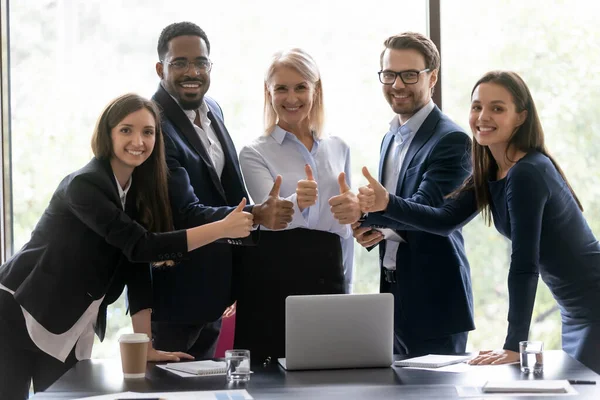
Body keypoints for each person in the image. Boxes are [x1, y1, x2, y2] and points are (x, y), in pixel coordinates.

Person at [0, 93, 254, 399]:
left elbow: (137, 269)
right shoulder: (84, 184)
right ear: (107, 134)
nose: (139, 140)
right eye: (126, 130)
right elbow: (141, 247)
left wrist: (145, 344)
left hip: (65, 321)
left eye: (148, 132)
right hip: (16, 310)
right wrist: (221, 229)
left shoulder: (134, 194)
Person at [358, 70, 600, 374]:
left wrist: (513, 346)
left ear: (521, 116)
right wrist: (383, 206)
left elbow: (525, 265)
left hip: (593, 304)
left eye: (497, 108)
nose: (483, 116)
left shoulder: (528, 172)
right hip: (575, 307)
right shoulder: (492, 170)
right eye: (477, 107)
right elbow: (445, 220)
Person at [150, 22, 294, 360]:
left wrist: (239, 276)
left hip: (214, 291)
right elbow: (184, 210)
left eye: (201, 63)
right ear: (160, 68)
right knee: (169, 394)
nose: (193, 72)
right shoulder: (152, 122)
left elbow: (227, 190)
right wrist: (255, 215)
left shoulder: (212, 109)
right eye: (180, 63)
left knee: (204, 390)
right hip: (175, 296)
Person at [352, 32, 474, 355]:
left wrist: (380, 210)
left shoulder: (452, 140)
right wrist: (367, 224)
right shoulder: (390, 138)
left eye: (409, 74)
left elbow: (427, 212)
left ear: (432, 78)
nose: (397, 84)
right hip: (393, 299)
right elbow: (395, 212)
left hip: (436, 305)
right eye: (389, 74)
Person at [235, 48, 358, 360]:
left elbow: (345, 229)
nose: (292, 98)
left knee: (328, 371)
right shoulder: (253, 152)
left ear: (316, 89)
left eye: (301, 87)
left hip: (329, 273)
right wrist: (297, 201)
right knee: (269, 375)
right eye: (281, 89)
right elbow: (270, 215)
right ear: (269, 92)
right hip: (274, 275)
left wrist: (348, 283)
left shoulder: (338, 148)